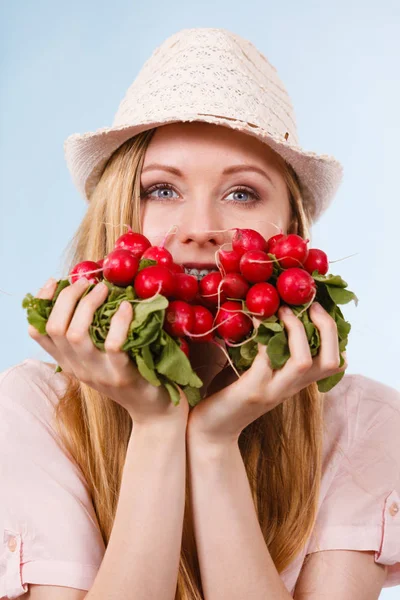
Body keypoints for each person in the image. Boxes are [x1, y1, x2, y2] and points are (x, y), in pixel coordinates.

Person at [1, 27, 399, 600]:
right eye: (161, 189)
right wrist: (158, 426)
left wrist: (214, 443)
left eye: (242, 194)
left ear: (289, 233)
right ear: (119, 213)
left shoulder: (365, 422)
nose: (197, 229)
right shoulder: (33, 410)